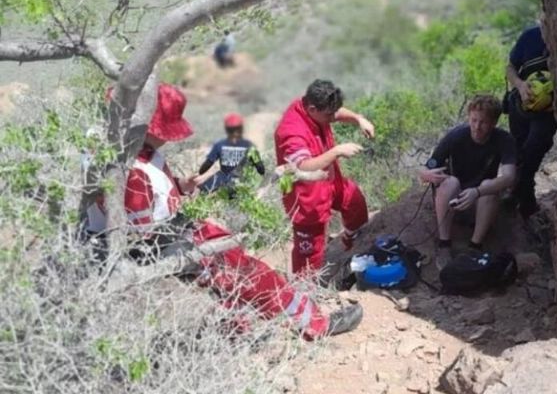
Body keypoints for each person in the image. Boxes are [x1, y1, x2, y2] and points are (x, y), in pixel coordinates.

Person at [90, 83, 362, 339]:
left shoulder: (121, 149)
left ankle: (240, 328)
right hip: (168, 243)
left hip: (173, 232)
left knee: (234, 265)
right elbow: (142, 234)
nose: (166, 140)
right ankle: (315, 324)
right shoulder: (131, 173)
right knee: (254, 276)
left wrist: (179, 186)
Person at [274, 79, 375, 276]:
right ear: (312, 109)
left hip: (330, 180)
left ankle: (351, 241)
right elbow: (301, 166)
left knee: (354, 202)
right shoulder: (291, 131)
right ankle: (306, 294)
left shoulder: (313, 107)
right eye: (329, 115)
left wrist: (358, 118)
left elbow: (337, 112)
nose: (332, 118)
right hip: (307, 198)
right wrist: (337, 151)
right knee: (310, 254)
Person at [419, 95, 517, 269]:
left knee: (489, 186)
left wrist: (478, 191)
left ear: (494, 123)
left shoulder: (504, 140)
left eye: (483, 122)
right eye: (474, 120)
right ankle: (444, 243)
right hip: (452, 197)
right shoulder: (457, 136)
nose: (477, 127)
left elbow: (509, 177)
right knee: (450, 182)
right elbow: (426, 168)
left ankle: (475, 246)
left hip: (479, 198)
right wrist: (428, 175)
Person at [506, 23, 557, 219]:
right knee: (517, 152)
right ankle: (523, 202)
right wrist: (520, 85)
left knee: (532, 151)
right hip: (519, 106)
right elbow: (510, 67)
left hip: (547, 114)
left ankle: (522, 202)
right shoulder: (530, 36)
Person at [198, 112, 265, 194]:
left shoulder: (220, 145)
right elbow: (261, 168)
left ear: (226, 129)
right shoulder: (249, 145)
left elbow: (208, 163)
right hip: (242, 180)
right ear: (241, 128)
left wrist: (200, 173)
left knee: (203, 191)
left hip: (223, 177)